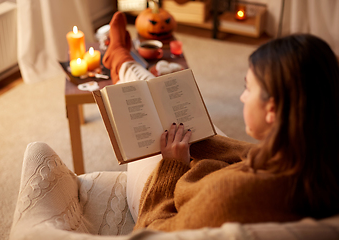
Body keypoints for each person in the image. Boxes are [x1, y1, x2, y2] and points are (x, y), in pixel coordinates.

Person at [103, 12, 339, 232]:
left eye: (248, 87)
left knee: (151, 121)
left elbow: (152, 230)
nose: (242, 97)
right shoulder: (316, 160)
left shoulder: (230, 196)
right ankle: (123, 61)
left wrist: (172, 166)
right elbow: (246, 153)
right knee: (187, 125)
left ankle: (121, 60)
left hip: (168, 197)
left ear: (272, 109)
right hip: (208, 177)